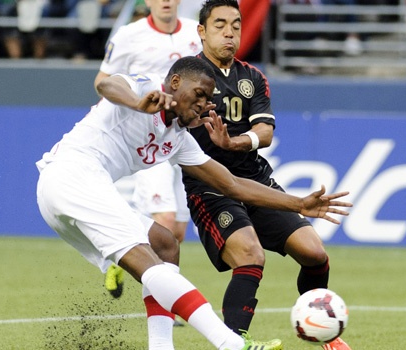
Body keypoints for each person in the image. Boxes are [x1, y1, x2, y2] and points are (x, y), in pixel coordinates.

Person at [36, 56, 352, 350]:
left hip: (69, 191)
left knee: (164, 244)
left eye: (208, 98)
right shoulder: (145, 87)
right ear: (174, 83)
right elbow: (106, 85)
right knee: (151, 262)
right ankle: (232, 344)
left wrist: (297, 203)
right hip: (72, 176)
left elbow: (232, 184)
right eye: (198, 94)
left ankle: (161, 346)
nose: (203, 104)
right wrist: (137, 102)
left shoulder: (179, 139)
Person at [182, 1, 352, 350]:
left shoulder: (252, 77)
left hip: (256, 181)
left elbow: (265, 132)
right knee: (250, 254)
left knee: (314, 253)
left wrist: (236, 141)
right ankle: (233, 341)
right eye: (219, 25)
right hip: (211, 187)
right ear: (201, 31)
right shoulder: (189, 77)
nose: (230, 32)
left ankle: (324, 329)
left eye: (236, 25)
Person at [93, 0, 202, 299]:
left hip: (181, 135)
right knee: (164, 220)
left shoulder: (196, 33)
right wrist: (132, 106)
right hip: (147, 136)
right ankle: (168, 303)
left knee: (177, 232)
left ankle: (121, 254)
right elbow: (102, 82)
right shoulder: (129, 35)